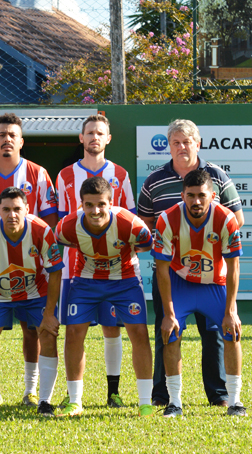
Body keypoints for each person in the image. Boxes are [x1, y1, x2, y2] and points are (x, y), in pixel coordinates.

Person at [138, 119, 244, 407]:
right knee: (168, 330)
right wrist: (168, 240)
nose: (182, 147)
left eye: (187, 141)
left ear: (197, 143)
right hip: (176, 275)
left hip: (213, 279)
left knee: (222, 332)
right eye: (176, 142)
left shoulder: (218, 179)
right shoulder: (157, 186)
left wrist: (231, 308)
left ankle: (226, 397)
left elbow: (236, 229)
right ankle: (168, 398)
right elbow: (145, 224)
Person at [0, 112, 58, 407]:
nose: (7, 140)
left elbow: (48, 222)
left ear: (21, 141)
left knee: (33, 333)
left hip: (33, 276)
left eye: (12, 135)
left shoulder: (39, 174)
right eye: (2, 135)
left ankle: (32, 391)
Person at [55, 177, 154, 417]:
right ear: (81, 204)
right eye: (89, 205)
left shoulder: (132, 225)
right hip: (86, 280)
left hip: (125, 280)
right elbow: (63, 242)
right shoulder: (66, 227)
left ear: (111, 203)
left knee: (139, 333)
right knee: (74, 332)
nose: (95, 210)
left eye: (101, 204)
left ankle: (145, 402)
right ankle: (75, 401)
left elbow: (146, 244)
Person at [55, 114, 136, 408]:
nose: (94, 138)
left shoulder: (121, 174)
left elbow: (129, 220)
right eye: (89, 133)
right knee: (74, 328)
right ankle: (73, 393)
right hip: (75, 267)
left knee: (111, 328)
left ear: (108, 139)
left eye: (100, 133)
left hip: (114, 267)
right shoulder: (64, 176)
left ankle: (113, 391)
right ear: (81, 138)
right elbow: (63, 223)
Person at [152, 169, 246, 417]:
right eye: (190, 195)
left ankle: (235, 402)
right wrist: (168, 313)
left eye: (201, 196)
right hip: (179, 283)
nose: (196, 201)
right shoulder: (167, 219)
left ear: (212, 196)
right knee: (171, 333)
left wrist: (231, 311)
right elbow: (161, 271)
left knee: (231, 331)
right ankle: (174, 402)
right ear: (182, 195)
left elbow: (235, 267)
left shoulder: (226, 219)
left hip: (214, 284)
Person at [0, 187, 63, 416]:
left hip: (35, 293)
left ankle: (43, 400)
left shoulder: (41, 230)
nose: (12, 215)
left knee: (47, 335)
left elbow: (56, 272)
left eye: (17, 209)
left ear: (27, 209)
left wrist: (49, 314)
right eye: (6, 209)